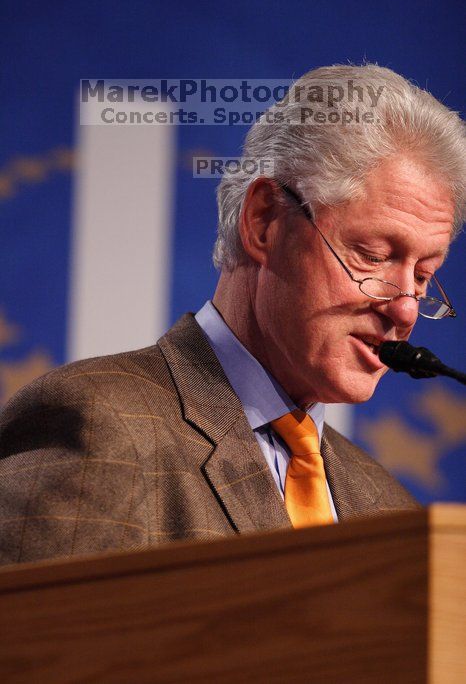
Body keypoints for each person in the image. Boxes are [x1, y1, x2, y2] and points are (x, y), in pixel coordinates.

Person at [0, 64, 464, 566]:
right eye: (372, 255)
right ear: (265, 222)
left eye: (423, 276)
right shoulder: (101, 431)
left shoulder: (387, 508)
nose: (404, 307)